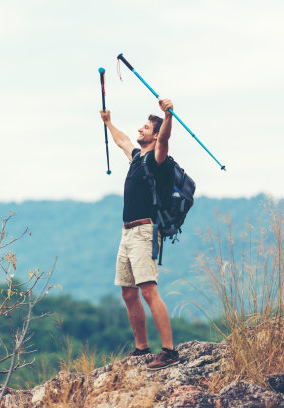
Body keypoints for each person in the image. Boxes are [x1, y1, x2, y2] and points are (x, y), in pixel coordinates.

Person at [100, 98, 180, 370]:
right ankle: (142, 349)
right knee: (128, 292)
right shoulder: (137, 157)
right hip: (127, 232)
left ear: (155, 134)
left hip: (146, 230)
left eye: (146, 127)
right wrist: (109, 122)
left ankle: (169, 351)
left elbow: (166, 139)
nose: (140, 129)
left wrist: (167, 115)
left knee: (148, 290)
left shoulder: (158, 158)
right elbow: (123, 141)